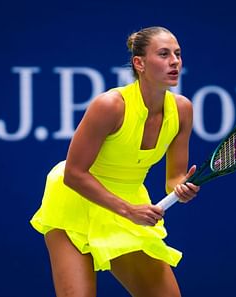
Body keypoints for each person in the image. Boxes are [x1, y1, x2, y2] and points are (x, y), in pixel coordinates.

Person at [30, 26, 200, 297]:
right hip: (74, 201)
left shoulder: (182, 110)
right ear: (139, 63)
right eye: (164, 54)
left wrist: (182, 187)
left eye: (178, 54)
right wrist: (129, 211)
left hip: (130, 202)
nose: (175, 62)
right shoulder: (110, 105)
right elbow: (74, 174)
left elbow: (174, 178)